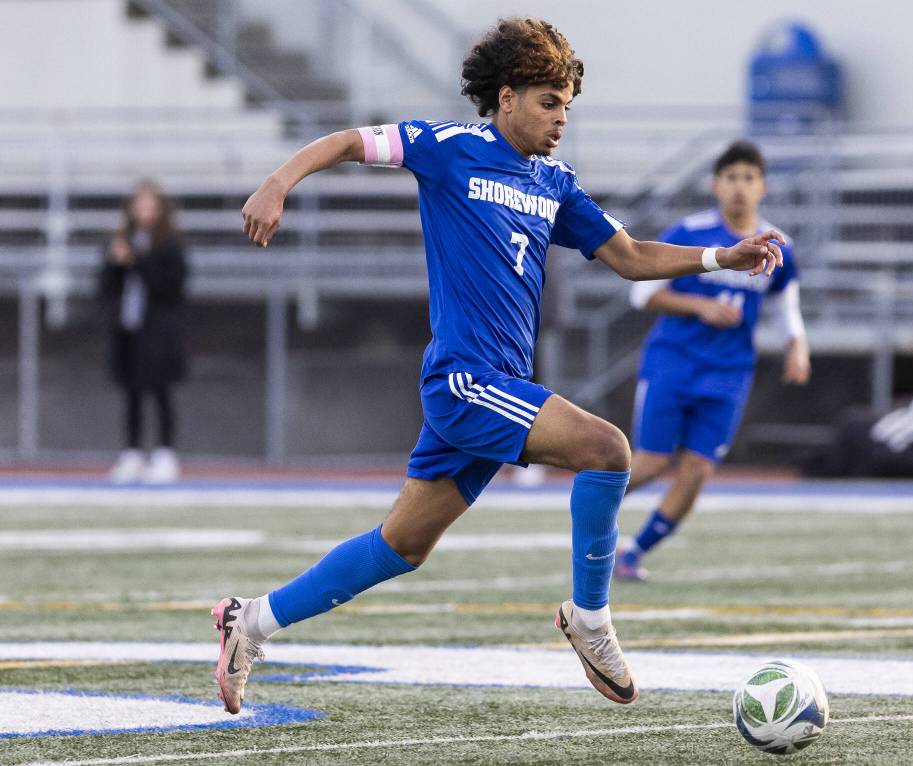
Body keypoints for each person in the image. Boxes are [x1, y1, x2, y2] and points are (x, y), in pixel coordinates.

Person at [213, 18, 785, 715]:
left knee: (402, 546)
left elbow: (630, 257)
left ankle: (252, 622)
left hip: (496, 387)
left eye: (568, 107)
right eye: (549, 102)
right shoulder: (447, 147)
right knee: (608, 450)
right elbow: (347, 141)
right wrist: (277, 182)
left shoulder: (555, 182)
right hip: (465, 378)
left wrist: (720, 258)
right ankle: (590, 619)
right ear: (507, 97)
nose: (560, 120)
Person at [614, 141, 810, 581]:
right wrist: (700, 308)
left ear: (763, 187)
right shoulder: (689, 232)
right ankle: (591, 508)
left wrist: (797, 343)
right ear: (714, 185)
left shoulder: (780, 244)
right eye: (731, 177)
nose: (739, 187)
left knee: (698, 468)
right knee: (651, 460)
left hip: (729, 372)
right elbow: (642, 293)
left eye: (748, 178)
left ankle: (633, 553)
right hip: (674, 362)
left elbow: (784, 305)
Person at [99, 180, 188, 484]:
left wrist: (136, 261)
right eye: (139, 205)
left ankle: (165, 453)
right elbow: (105, 286)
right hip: (129, 329)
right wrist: (116, 263)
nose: (144, 211)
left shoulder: (169, 245)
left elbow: (169, 287)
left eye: (150, 205)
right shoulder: (121, 240)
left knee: (161, 391)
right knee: (132, 393)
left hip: (159, 332)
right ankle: (132, 453)